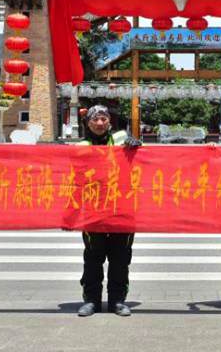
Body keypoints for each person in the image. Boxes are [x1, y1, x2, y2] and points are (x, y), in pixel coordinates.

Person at [77, 105, 141, 317]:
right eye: (95, 119)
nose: (100, 122)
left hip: (122, 210)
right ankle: (91, 300)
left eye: (104, 118)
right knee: (93, 258)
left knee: (120, 259)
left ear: (110, 122)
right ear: (88, 123)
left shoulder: (123, 139)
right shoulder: (81, 146)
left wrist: (136, 145)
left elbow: (144, 159)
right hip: (93, 211)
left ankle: (118, 300)